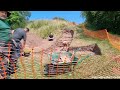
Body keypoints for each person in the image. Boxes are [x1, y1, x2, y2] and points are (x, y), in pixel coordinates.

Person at [0, 11, 17, 79]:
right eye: (2, 12)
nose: (4, 14)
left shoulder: (6, 22)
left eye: (6, 13)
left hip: (7, 44)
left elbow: (8, 31)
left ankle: (4, 75)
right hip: (1, 43)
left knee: (5, 60)